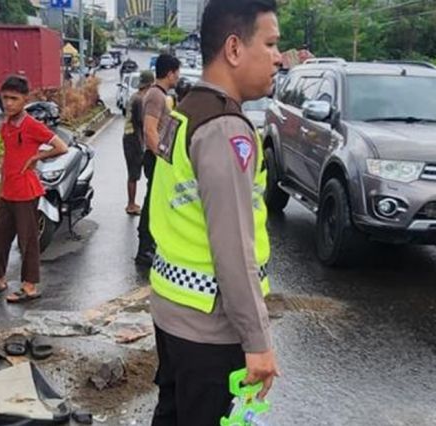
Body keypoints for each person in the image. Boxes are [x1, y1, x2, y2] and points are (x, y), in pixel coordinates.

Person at [148, 0, 282, 424]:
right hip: (210, 328)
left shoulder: (184, 110)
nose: (279, 57)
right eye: (271, 43)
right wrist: (257, 341)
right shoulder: (226, 128)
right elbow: (233, 249)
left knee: (171, 414)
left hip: (172, 310)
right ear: (234, 49)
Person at [0, 75, 68, 302]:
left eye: (14, 99)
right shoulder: (6, 126)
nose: (8, 103)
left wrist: (37, 157)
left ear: (24, 99)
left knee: (27, 240)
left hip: (26, 192)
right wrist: (0, 188)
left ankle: (29, 286)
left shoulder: (32, 126)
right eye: (5, 98)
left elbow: (61, 147)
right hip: (8, 191)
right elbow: (8, 158)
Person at [135, 54, 181, 267]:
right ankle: (144, 249)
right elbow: (150, 129)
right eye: (177, 73)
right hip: (155, 158)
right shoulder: (156, 96)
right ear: (170, 73)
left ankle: (149, 245)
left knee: (156, 201)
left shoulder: (159, 94)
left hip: (157, 157)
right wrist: (162, 156)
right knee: (152, 202)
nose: (178, 78)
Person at [123, 70, 154, 216]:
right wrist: (143, 144)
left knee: (133, 173)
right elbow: (139, 124)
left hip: (130, 137)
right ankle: (131, 204)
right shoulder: (140, 100)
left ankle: (132, 203)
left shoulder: (136, 96)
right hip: (133, 138)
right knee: (134, 173)